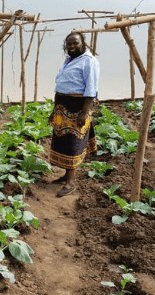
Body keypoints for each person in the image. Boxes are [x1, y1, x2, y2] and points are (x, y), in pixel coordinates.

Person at [48, 32, 99, 197]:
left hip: (77, 107)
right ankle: (65, 176)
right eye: (69, 44)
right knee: (62, 142)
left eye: (75, 43)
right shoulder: (70, 60)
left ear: (83, 43)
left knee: (72, 144)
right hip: (63, 107)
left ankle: (70, 183)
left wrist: (84, 112)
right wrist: (54, 110)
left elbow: (91, 89)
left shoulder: (89, 61)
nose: (71, 47)